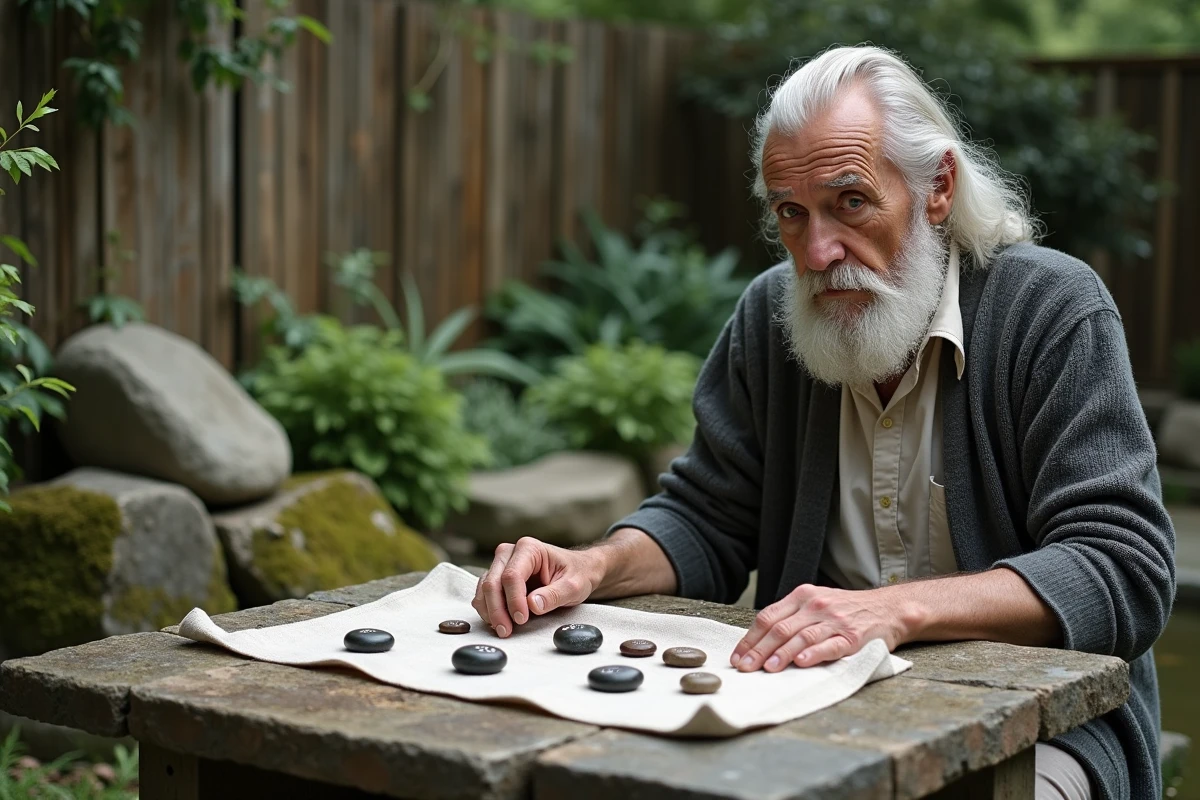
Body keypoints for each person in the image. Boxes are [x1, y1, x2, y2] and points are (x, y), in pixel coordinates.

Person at [471, 44, 1175, 800]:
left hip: (1043, 730)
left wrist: (892, 612)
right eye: (791, 213)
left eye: (851, 202)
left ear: (936, 188)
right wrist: (593, 567)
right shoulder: (769, 320)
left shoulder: (1052, 311)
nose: (819, 252)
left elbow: (1125, 569)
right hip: (811, 709)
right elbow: (707, 516)